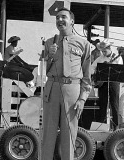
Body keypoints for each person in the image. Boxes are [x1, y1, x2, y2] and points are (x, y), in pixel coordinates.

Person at [41, 8, 92, 160]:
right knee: (48, 133)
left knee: (69, 133)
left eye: (63, 17)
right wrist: (49, 56)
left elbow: (87, 77)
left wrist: (82, 99)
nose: (60, 20)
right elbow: (43, 70)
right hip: (52, 88)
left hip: (72, 90)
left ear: (72, 21)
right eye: (57, 18)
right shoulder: (50, 42)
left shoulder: (84, 44)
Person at [91, 38, 123, 128]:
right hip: (102, 83)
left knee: (115, 104)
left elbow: (119, 70)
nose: (103, 53)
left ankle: (116, 126)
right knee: (102, 104)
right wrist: (95, 75)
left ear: (109, 48)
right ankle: (101, 126)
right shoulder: (100, 58)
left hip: (114, 82)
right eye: (102, 51)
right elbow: (91, 68)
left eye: (105, 51)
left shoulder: (118, 57)